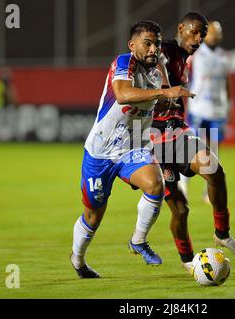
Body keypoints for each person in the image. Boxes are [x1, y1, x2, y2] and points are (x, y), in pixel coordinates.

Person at [70, 20, 195, 278]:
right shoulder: (124, 63)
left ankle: (138, 240)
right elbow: (123, 95)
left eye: (157, 44)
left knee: (155, 185)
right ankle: (79, 260)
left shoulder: (157, 73)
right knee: (93, 216)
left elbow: (156, 105)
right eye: (147, 43)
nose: (153, 49)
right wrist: (164, 94)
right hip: (101, 151)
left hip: (133, 147)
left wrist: (170, 113)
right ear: (133, 45)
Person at [151, 12, 235, 274]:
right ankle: (187, 259)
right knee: (181, 210)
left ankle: (222, 233)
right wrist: (163, 83)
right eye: (194, 32)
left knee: (216, 171)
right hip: (151, 140)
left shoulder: (188, 58)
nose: (198, 38)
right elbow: (157, 57)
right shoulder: (167, 49)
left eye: (202, 34)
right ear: (181, 27)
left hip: (177, 132)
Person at [180, 20, 233, 202]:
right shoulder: (194, 54)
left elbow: (227, 82)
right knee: (191, 148)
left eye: (218, 32)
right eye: (212, 32)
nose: (216, 35)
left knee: (214, 150)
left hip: (217, 110)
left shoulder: (225, 57)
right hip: (198, 109)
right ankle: (183, 186)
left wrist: (229, 105)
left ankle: (208, 191)